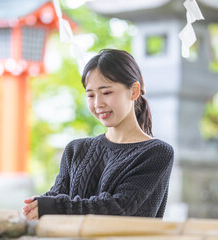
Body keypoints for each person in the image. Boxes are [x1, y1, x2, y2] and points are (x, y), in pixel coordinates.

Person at [22, 49, 174, 220]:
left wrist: (53, 206)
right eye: (91, 95)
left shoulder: (157, 153)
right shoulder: (76, 149)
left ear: (134, 91)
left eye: (106, 93)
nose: (98, 103)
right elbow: (57, 197)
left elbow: (120, 207)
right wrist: (38, 204)